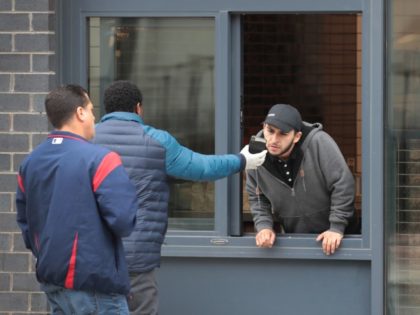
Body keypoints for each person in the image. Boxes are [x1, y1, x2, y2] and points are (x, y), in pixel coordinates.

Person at [93, 80, 267, 315]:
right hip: (136, 256)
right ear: (138, 108)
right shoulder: (155, 141)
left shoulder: (87, 140)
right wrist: (242, 160)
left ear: (106, 109)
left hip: (91, 254)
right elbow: (201, 167)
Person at [15, 85, 139, 314]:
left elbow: (26, 223)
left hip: (53, 280)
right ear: (80, 113)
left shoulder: (30, 163)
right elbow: (124, 221)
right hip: (94, 285)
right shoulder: (101, 160)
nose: (94, 117)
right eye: (91, 110)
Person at [245, 104, 357, 256]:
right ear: (264, 127)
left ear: (296, 136)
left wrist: (336, 227)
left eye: (283, 134)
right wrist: (264, 226)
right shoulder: (254, 155)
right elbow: (257, 196)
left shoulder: (318, 142)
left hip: (343, 239)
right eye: (270, 131)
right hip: (296, 241)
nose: (273, 139)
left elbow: (343, 183)